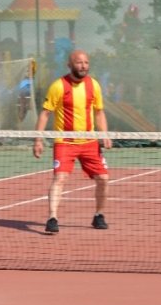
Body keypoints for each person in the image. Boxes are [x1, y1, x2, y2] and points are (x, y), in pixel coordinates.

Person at [33, 49, 112, 234]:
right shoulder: (58, 86)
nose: (83, 66)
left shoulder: (94, 85)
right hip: (65, 142)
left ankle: (99, 215)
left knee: (103, 179)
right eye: (79, 62)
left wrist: (105, 134)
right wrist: (38, 139)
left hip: (89, 142)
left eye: (86, 62)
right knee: (60, 178)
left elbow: (99, 112)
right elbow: (45, 114)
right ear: (70, 65)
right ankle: (52, 218)